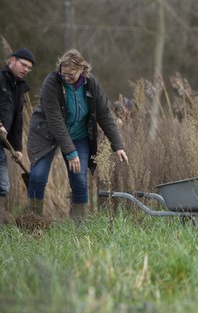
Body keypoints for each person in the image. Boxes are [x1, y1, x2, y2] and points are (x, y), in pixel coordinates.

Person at [27, 49, 128, 219]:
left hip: (78, 135)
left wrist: (117, 145)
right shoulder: (52, 83)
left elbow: (104, 115)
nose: (66, 78)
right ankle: (32, 221)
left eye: (71, 76)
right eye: (63, 74)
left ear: (82, 70)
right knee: (37, 177)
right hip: (46, 134)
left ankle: (78, 226)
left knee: (80, 181)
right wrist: (70, 152)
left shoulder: (91, 84)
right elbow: (55, 121)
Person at [0, 49, 35, 223]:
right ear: (12, 61)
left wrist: (18, 148)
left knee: (3, 186)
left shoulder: (19, 88)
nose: (26, 69)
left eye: (29, 68)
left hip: (2, 142)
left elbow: (17, 121)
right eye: (23, 65)